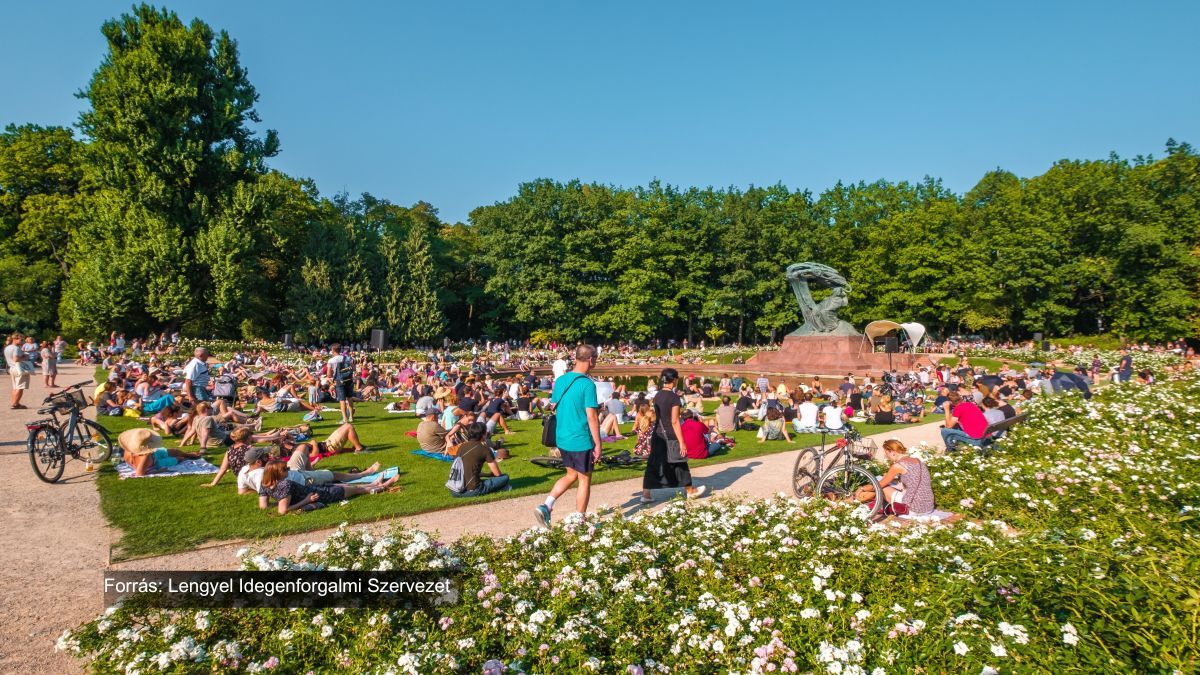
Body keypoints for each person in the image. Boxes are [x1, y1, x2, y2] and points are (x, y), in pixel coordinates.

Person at [535, 344, 603, 528]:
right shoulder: (587, 384)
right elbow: (592, 416)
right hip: (580, 438)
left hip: (562, 436)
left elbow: (554, 406)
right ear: (590, 359)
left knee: (570, 474)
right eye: (595, 358)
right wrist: (598, 443)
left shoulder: (562, 380)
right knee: (584, 480)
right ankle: (580, 519)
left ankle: (547, 505)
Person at [640, 367, 708, 504]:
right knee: (679, 462)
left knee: (654, 463)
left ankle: (646, 494)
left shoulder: (657, 395)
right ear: (675, 379)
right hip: (670, 434)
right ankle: (690, 491)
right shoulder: (674, 397)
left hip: (658, 434)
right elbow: (675, 421)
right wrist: (682, 442)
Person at [257, 460, 396, 514]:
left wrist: (284, 500)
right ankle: (383, 486)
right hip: (323, 494)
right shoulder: (284, 485)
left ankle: (375, 483)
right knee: (358, 490)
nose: (287, 471)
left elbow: (264, 507)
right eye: (284, 469)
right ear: (276, 472)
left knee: (347, 485)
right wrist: (306, 501)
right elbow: (283, 510)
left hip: (317, 489)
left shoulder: (264, 484)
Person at [860, 439, 935, 516]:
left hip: (914, 508)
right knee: (884, 483)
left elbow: (878, 485)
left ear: (892, 452)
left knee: (880, 487)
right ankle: (861, 501)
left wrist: (862, 488)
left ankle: (855, 500)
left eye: (886, 453)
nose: (886, 456)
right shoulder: (918, 461)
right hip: (928, 506)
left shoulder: (898, 466)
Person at [446, 422, 510, 497]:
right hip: (472, 491)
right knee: (504, 477)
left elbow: (467, 470)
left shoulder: (462, 446)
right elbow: (497, 474)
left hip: (454, 490)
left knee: (489, 480)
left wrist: (487, 475)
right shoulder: (484, 449)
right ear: (483, 435)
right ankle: (500, 488)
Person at [327, 344, 356, 424]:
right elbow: (354, 369)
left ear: (333, 350)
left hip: (339, 381)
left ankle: (344, 419)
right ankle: (351, 417)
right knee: (349, 398)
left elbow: (329, 374)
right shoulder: (347, 358)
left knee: (342, 400)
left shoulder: (331, 360)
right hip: (349, 379)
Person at [5, 334, 33, 409]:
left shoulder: (8, 347)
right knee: (20, 387)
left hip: (12, 368)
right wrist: (25, 357)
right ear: (15, 339)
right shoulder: (16, 348)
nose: (23, 341)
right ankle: (15, 404)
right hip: (19, 368)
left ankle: (15, 402)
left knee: (15, 387)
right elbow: (16, 359)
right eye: (21, 340)